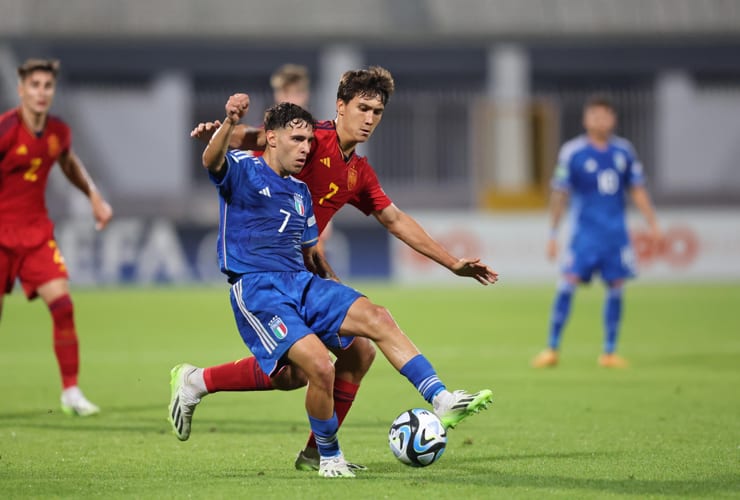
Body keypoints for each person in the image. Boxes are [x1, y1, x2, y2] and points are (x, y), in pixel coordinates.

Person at [181, 66, 497, 471]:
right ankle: (206, 385)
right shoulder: (314, 140)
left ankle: (421, 405)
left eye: (377, 112)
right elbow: (262, 140)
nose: (369, 119)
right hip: (263, 275)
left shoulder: (358, 171)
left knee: (358, 351)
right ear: (340, 106)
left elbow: (395, 219)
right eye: (362, 108)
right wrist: (226, 129)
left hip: (303, 272)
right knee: (301, 372)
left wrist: (452, 262)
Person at [0, 59, 113, 414]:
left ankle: (71, 392)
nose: (41, 92)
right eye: (34, 85)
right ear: (21, 90)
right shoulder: (5, 130)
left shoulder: (57, 132)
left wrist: (93, 196)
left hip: (35, 234)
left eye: (47, 86)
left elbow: (66, 162)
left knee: (63, 306)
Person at [531, 95, 661, 369]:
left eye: (605, 115)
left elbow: (637, 189)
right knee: (567, 284)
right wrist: (553, 234)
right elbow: (560, 194)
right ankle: (552, 348)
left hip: (615, 236)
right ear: (586, 119)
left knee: (616, 288)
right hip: (584, 236)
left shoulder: (624, 151)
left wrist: (653, 223)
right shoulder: (573, 152)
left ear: (613, 119)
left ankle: (609, 351)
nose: (600, 120)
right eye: (595, 115)